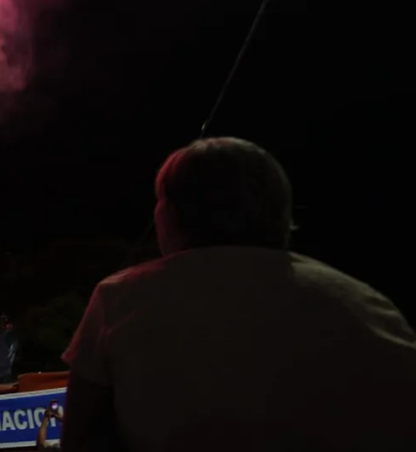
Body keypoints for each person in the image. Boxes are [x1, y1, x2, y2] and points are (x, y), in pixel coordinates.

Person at [60, 137, 416, 452]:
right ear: (281, 212)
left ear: (171, 213)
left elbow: (81, 437)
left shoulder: (120, 299)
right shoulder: (368, 306)